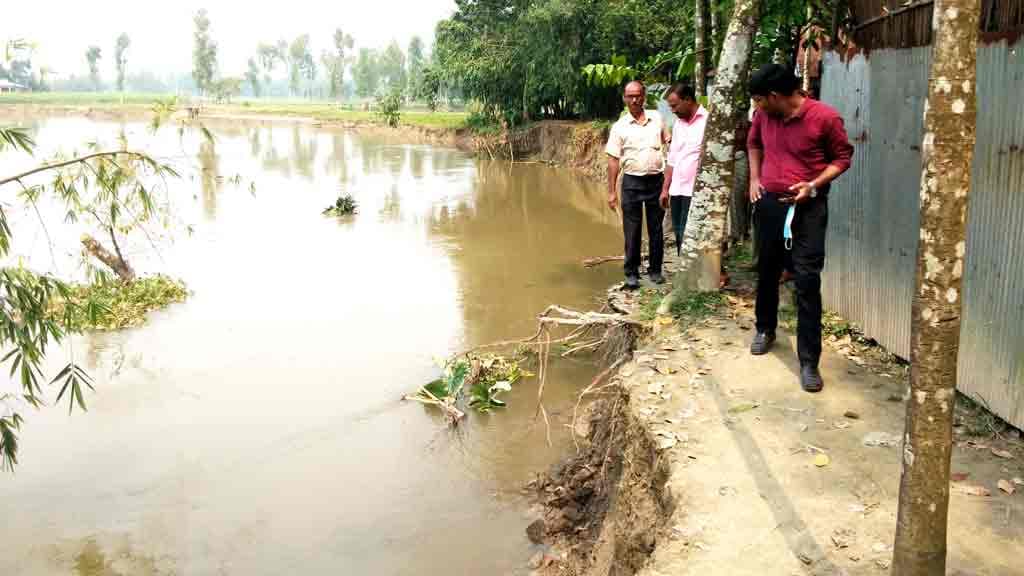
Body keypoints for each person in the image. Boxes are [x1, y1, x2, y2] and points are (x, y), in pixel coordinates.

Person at [746, 63, 853, 393]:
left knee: (807, 280)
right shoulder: (764, 116)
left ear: (775, 96)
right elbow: (753, 144)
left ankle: (809, 361)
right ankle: (765, 329)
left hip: (808, 211)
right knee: (767, 270)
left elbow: (842, 158)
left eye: (759, 100)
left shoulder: (825, 117)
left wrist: (814, 184)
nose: (756, 107)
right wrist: (754, 179)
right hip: (769, 205)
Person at [606, 81, 668, 290]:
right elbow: (613, 160)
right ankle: (631, 273)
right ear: (624, 98)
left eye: (638, 96)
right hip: (631, 182)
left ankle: (655, 270)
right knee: (632, 230)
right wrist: (611, 192)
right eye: (630, 96)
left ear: (644, 96)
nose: (634, 100)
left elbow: (668, 141)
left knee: (656, 229)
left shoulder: (657, 118)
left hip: (656, 181)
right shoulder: (619, 127)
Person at [659, 83, 707, 256]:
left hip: (696, 191)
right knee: (679, 234)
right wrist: (665, 189)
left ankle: (709, 273)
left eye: (674, 105)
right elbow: (672, 159)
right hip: (677, 190)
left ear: (688, 100)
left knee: (695, 235)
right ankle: (686, 275)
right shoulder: (678, 125)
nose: (672, 110)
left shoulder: (708, 122)